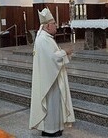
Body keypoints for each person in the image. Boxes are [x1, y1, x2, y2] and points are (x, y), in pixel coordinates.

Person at [29, 8, 75, 137]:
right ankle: (50, 129)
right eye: (54, 23)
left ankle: (56, 127)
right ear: (48, 25)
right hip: (49, 79)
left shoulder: (45, 37)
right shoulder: (43, 39)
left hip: (50, 77)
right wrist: (65, 52)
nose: (56, 26)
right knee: (51, 104)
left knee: (55, 104)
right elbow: (52, 58)